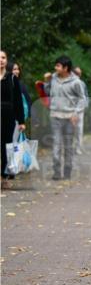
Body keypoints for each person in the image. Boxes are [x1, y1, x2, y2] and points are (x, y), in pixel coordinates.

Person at [46, 56, 87, 180]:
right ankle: (57, 172)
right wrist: (46, 81)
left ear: (66, 68)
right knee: (56, 145)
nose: (55, 68)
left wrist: (76, 113)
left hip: (69, 118)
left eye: (58, 66)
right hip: (55, 116)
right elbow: (47, 92)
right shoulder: (53, 78)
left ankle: (67, 171)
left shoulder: (76, 82)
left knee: (68, 146)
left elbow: (82, 99)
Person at [1, 50, 27, 185]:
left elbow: (18, 101)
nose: (1, 60)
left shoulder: (12, 78)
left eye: (3, 57)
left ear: (6, 60)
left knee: (6, 145)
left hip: (8, 116)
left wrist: (21, 121)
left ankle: (4, 175)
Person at [71, 67, 89, 154]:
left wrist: (85, 105)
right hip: (70, 109)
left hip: (80, 109)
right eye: (77, 73)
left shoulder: (82, 83)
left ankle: (77, 148)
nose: (79, 75)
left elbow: (86, 96)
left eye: (79, 73)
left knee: (79, 129)